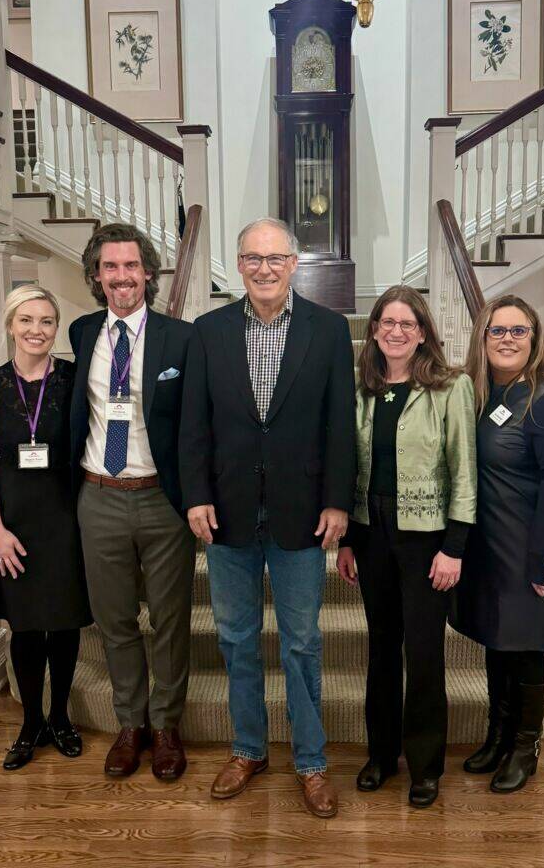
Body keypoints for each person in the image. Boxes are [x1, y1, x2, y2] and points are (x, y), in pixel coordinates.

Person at [180, 217, 356, 819]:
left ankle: (310, 761)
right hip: (225, 513)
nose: (262, 268)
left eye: (274, 258)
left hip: (302, 513)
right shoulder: (208, 331)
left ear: (294, 263)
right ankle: (248, 749)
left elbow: (339, 424)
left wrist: (338, 501)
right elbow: (193, 424)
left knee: (303, 641)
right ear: (238, 264)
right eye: (251, 258)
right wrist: (195, 494)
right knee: (236, 639)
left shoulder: (328, 331)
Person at [336, 285, 476, 808]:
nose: (396, 331)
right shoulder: (363, 388)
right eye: (387, 322)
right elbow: (353, 469)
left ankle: (425, 766)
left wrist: (455, 546)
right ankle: (381, 756)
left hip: (427, 543)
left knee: (423, 654)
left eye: (407, 324)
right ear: (373, 330)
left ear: (422, 334)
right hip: (371, 536)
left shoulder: (449, 387)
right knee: (380, 649)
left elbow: (465, 470)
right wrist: (348, 539)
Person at [69, 223, 194, 781]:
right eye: (110, 267)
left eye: (131, 266)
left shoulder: (180, 338)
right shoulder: (80, 332)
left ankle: (166, 726)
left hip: (161, 499)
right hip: (98, 496)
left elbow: (197, 424)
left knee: (169, 619)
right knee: (114, 619)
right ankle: (130, 724)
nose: (122, 277)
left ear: (148, 272)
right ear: (97, 276)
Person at [451, 294, 544, 794]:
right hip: (490, 541)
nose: (507, 340)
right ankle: (498, 736)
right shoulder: (483, 394)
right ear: (482, 339)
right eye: (497, 331)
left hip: (532, 542)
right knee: (498, 639)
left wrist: (540, 558)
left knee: (527, 647)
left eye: (517, 331)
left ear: (534, 337)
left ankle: (526, 747)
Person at [0, 285, 91, 770]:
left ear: (55, 328)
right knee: (23, 625)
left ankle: (60, 717)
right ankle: (30, 722)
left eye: (46, 322)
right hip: (11, 518)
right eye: (27, 321)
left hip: (66, 516)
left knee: (63, 622)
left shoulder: (75, 380)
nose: (36, 331)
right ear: (10, 325)